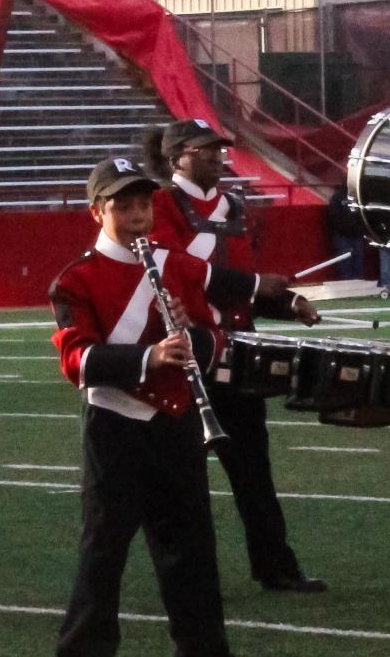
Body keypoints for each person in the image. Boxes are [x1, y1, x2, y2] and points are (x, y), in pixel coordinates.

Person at [48, 154, 279, 657]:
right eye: (122, 206)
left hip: (175, 421)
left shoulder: (174, 264)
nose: (135, 215)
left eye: (142, 205)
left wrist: (190, 341)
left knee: (193, 547)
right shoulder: (76, 280)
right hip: (116, 425)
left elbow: (215, 335)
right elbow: (77, 361)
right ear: (97, 211)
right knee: (104, 551)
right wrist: (149, 355)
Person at [140, 116, 329, 593]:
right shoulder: (161, 206)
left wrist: (289, 304)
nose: (217, 156)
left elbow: (250, 285)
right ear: (177, 155)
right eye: (205, 148)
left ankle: (275, 565)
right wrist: (251, 285)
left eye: (219, 148)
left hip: (237, 353)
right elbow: (171, 272)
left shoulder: (237, 208)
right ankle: (187, 577)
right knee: (178, 477)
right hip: (183, 358)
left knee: (254, 471)